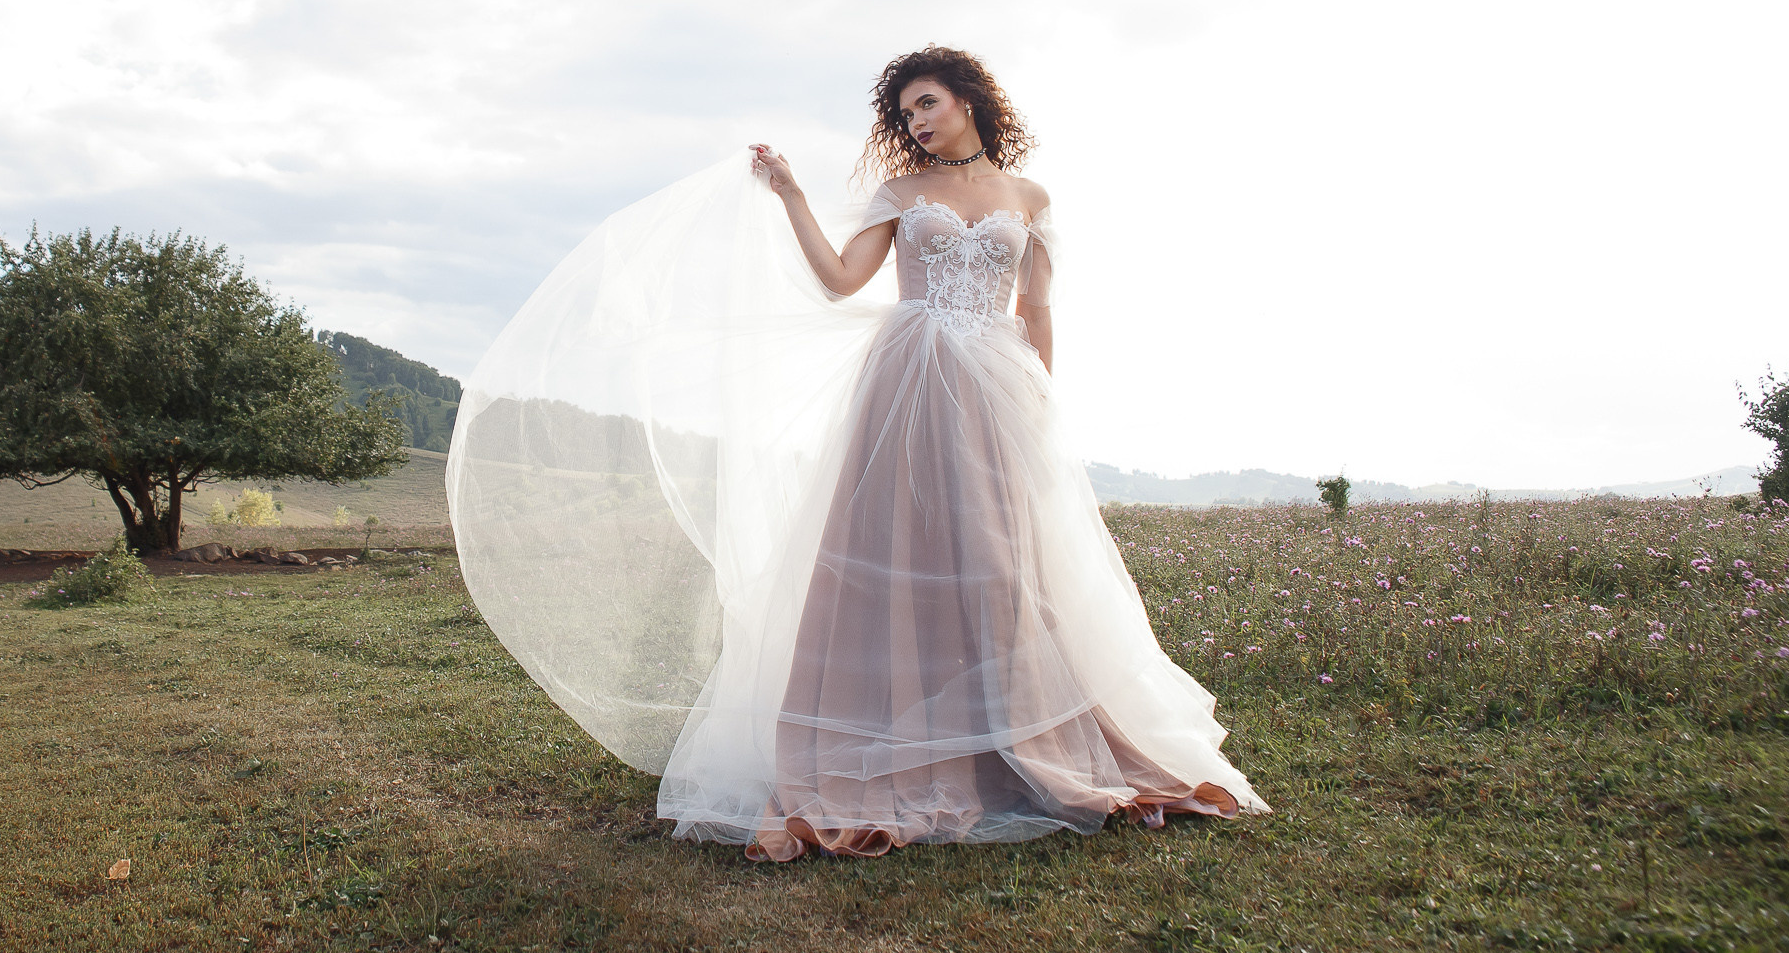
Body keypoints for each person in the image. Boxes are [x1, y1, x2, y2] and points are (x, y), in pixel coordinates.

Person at [447, 45, 1266, 862]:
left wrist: (1037, 406)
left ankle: (1006, 738)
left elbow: (1038, 308)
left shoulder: (1030, 196)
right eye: (905, 113)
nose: (915, 121)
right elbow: (843, 279)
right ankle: (886, 740)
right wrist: (795, 194)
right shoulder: (903, 194)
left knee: (999, 562)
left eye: (926, 103)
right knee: (891, 551)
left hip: (996, 392)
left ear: (969, 100)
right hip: (909, 382)